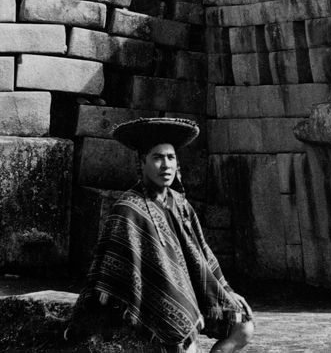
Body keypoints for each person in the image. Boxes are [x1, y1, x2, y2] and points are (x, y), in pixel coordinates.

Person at [67, 117, 254, 353]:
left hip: (191, 293)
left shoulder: (180, 203)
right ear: (142, 162)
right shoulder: (128, 209)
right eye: (157, 158)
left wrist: (226, 291)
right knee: (186, 342)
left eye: (171, 157)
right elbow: (113, 271)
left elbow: (202, 253)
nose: (166, 165)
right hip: (148, 303)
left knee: (244, 327)